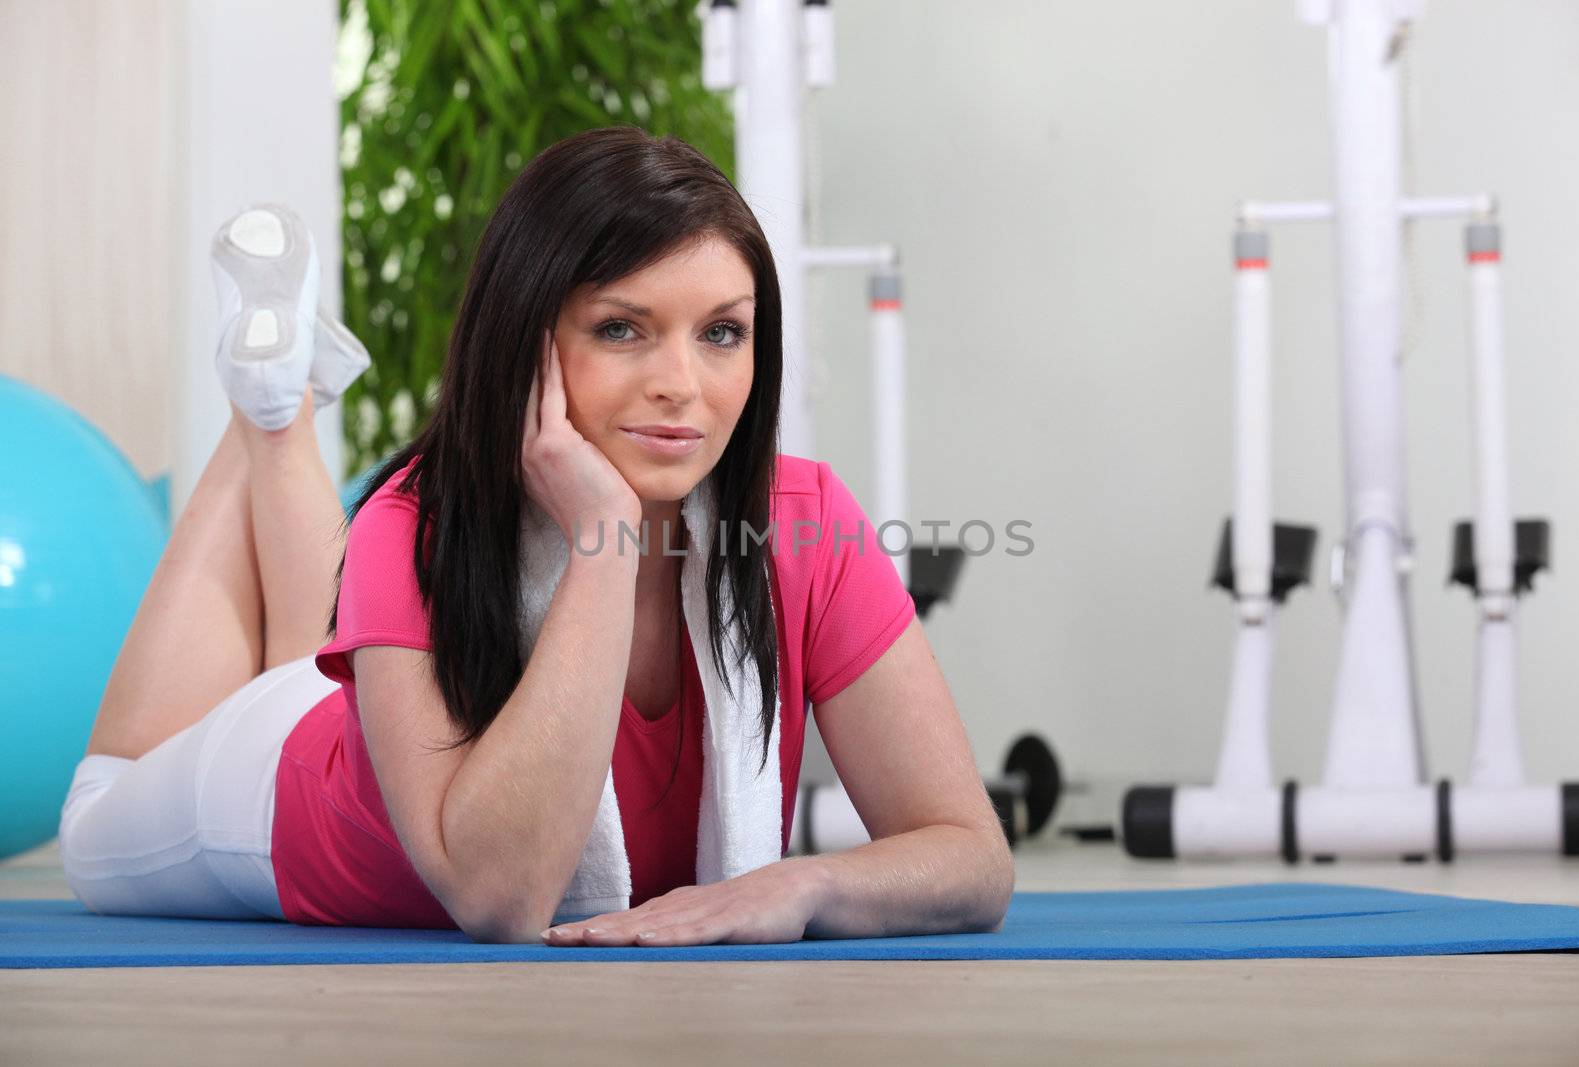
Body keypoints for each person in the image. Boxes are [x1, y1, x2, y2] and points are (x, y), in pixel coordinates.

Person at [57, 126, 1012, 946]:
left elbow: (970, 854)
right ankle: (268, 407)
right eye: (622, 329)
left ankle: (277, 393)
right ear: (528, 339)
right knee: (92, 816)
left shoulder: (802, 522)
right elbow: (500, 897)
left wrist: (803, 883)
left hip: (373, 693)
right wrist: (603, 539)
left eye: (722, 333)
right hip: (270, 790)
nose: (684, 384)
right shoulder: (408, 523)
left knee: (307, 643)